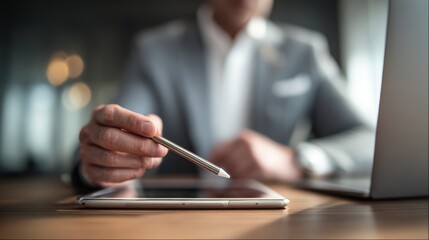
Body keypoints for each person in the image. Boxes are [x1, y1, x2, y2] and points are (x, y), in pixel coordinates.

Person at [72, 0, 375, 191]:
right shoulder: (154, 51)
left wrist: (295, 160)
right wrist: (104, 161)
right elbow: (106, 142)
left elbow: (369, 140)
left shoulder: (305, 53)